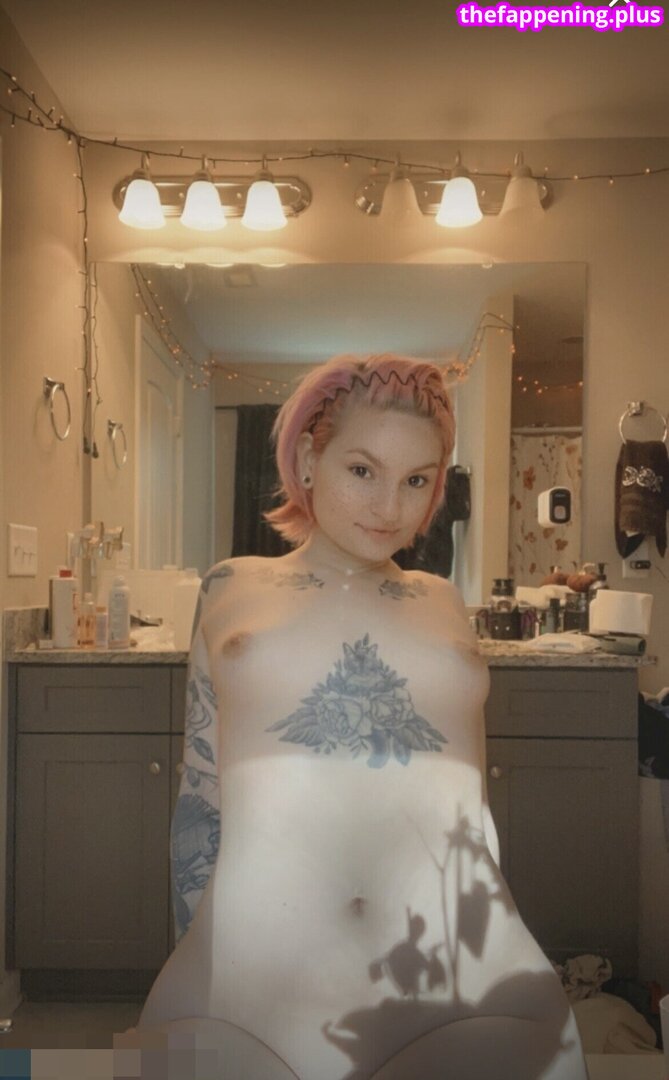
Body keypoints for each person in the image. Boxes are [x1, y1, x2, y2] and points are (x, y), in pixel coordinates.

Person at [121, 354, 587, 1080]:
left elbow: (473, 806)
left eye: (416, 480)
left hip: (463, 974)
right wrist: (193, 945)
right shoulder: (229, 585)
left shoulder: (444, 600)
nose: (389, 506)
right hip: (252, 982)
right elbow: (201, 795)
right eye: (362, 470)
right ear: (309, 461)